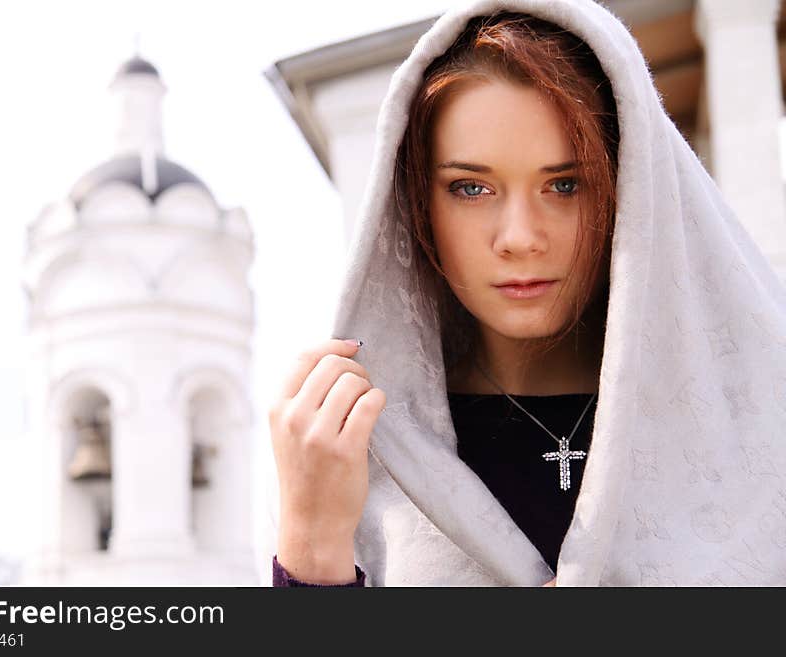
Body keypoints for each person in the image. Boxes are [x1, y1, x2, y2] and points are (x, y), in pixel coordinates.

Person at [263, 0, 786, 586]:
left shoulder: (759, 427)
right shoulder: (364, 447)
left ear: (630, 192)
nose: (519, 238)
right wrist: (309, 542)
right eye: (470, 188)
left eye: (564, 184)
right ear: (416, 205)